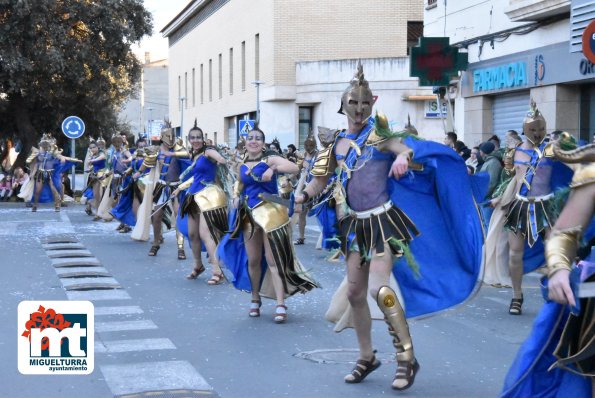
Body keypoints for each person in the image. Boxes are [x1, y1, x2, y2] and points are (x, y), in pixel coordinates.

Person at [296, 64, 484, 391]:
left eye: (364, 103)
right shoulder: (336, 144)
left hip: (385, 222)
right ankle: (367, 356)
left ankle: (406, 357)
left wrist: (402, 157)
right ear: (343, 105)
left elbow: (407, 149)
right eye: (353, 103)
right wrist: (302, 195)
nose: (358, 109)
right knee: (356, 293)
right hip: (353, 228)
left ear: (372, 105)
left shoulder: (381, 136)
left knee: (378, 288)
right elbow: (318, 180)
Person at [500, 140, 595, 397]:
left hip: (543, 206)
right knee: (515, 254)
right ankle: (516, 295)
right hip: (593, 295)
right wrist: (559, 269)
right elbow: (564, 233)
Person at [218, 126, 319, 324]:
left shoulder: (269, 159)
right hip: (249, 215)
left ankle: (281, 303)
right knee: (253, 260)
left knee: (273, 260)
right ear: (245, 142)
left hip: (271, 214)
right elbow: (239, 184)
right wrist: (236, 197)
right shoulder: (243, 164)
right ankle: (255, 298)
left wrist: (272, 169)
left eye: (258, 138)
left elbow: (294, 168)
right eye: (250, 138)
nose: (253, 141)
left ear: (263, 144)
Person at [487, 100, 573, 314]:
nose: (537, 133)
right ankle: (517, 296)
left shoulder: (553, 149)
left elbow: (573, 167)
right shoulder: (513, 152)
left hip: (548, 206)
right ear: (525, 130)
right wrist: (499, 197)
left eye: (541, 129)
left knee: (556, 252)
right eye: (533, 129)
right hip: (520, 207)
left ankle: (556, 294)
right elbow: (510, 180)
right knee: (515, 254)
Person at [172, 121, 229, 283]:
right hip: (193, 196)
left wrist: (221, 160)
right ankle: (198, 265)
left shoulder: (208, 151)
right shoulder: (194, 154)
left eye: (198, 137)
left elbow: (220, 159)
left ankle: (217, 270)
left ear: (203, 138)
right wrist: (179, 188)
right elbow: (195, 177)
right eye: (193, 137)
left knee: (205, 233)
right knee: (192, 234)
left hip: (208, 196)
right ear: (189, 139)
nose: (196, 140)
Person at [132, 125, 191, 258]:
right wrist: (139, 172)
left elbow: (187, 156)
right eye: (167, 136)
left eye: (172, 136)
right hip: (162, 186)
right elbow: (148, 161)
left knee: (178, 216)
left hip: (176, 188)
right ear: (161, 137)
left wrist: (173, 154)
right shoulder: (157, 150)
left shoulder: (179, 149)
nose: (170, 139)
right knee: (156, 216)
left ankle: (180, 248)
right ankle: (156, 243)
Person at [26, 134, 81, 212]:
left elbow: (63, 158)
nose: (44, 146)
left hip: (50, 174)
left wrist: (74, 160)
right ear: (40, 145)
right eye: (43, 145)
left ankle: (57, 205)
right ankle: (35, 205)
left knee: (54, 189)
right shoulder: (37, 153)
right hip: (40, 173)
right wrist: (32, 174)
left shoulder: (52, 153)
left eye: (46, 144)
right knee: (37, 190)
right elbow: (35, 164)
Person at [293, 131, 317, 245]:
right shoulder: (302, 156)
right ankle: (301, 237)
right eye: (307, 145)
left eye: (311, 145)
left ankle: (330, 237)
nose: (308, 147)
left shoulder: (319, 156)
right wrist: (289, 179)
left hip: (317, 187)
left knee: (323, 214)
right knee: (302, 213)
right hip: (304, 187)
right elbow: (296, 169)